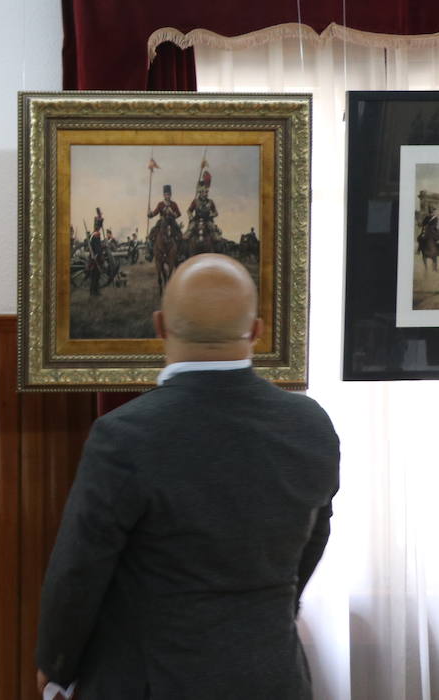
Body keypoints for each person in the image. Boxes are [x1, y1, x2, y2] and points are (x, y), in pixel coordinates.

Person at [35, 255, 339, 699]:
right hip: (274, 675)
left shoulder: (124, 436)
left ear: (159, 326)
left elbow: (80, 569)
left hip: (150, 679)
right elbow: (315, 538)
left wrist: (56, 664)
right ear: (256, 331)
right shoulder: (310, 425)